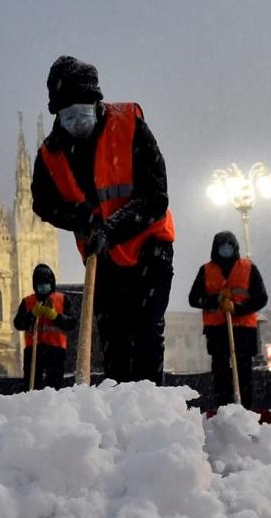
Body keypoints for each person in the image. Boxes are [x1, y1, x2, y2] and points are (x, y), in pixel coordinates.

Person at [31, 55, 175, 384]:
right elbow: (43, 203)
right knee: (114, 342)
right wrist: (79, 216)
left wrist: (111, 229)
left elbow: (156, 196)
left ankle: (152, 414)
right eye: (67, 114)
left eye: (81, 111)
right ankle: (121, 417)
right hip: (102, 257)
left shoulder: (129, 124)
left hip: (149, 247)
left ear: (97, 102)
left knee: (146, 334)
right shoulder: (50, 152)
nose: (75, 121)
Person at [188, 231, 268, 409]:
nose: (226, 249)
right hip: (216, 330)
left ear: (235, 247)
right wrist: (216, 300)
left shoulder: (248, 268)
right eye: (222, 246)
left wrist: (237, 309)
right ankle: (223, 409)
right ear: (216, 248)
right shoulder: (206, 270)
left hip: (243, 330)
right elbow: (194, 298)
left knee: (244, 372)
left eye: (229, 246)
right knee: (220, 372)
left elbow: (261, 298)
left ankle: (245, 409)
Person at [13, 263, 76, 389]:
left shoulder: (63, 299)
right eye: (39, 284)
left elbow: (72, 323)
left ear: (51, 283)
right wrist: (32, 315)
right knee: (31, 386)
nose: (43, 287)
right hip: (33, 349)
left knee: (55, 385)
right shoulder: (27, 302)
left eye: (46, 283)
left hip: (56, 349)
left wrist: (55, 316)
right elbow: (18, 323)